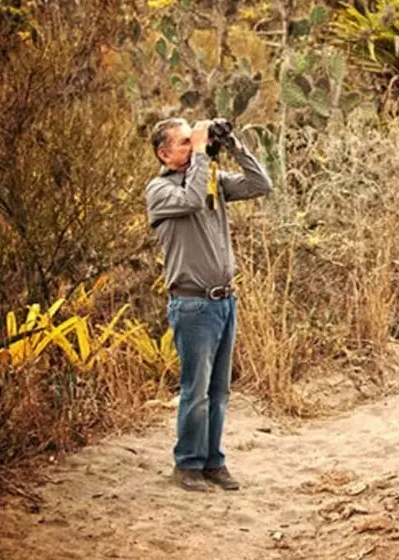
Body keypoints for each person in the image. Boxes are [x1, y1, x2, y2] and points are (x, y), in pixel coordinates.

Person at [145, 117, 272, 492]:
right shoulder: (159, 190)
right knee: (195, 391)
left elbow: (260, 185)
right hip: (192, 305)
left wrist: (233, 145)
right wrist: (201, 153)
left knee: (219, 391)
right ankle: (187, 464)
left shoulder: (208, 177)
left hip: (224, 301)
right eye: (184, 142)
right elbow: (192, 198)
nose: (193, 146)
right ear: (164, 153)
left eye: (193, 140)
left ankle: (213, 462)